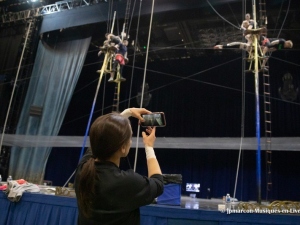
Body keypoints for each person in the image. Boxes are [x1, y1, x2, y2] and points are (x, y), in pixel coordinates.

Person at [74, 107, 164, 225]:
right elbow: (158, 183)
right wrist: (149, 146)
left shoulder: (82, 171)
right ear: (122, 147)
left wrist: (127, 113)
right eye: (130, 137)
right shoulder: (128, 183)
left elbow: (101, 138)